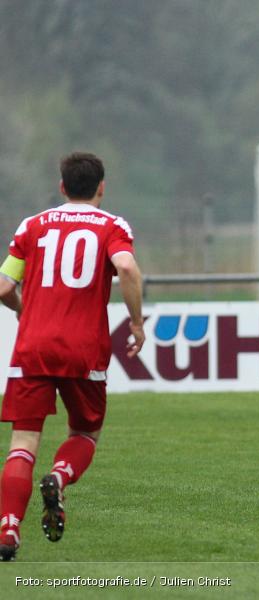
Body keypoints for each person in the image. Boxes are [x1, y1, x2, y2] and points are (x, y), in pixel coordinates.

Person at [0, 153, 145, 561]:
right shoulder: (112, 225)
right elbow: (128, 269)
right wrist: (136, 324)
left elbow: (4, 286)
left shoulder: (33, 225)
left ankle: (8, 530)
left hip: (31, 347)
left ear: (62, 187)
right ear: (102, 187)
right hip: (84, 349)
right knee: (83, 434)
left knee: (22, 444)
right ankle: (60, 478)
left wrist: (25, 311)